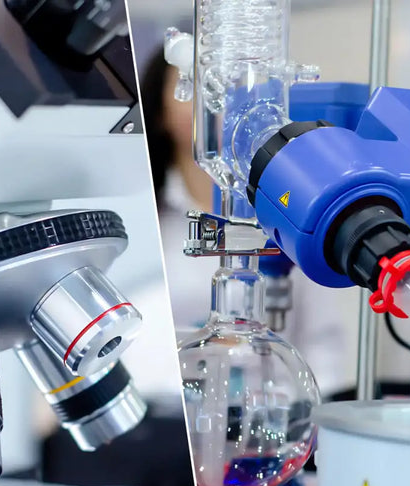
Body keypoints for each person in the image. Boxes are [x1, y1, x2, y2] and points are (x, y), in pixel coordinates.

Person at [140, 46, 362, 398]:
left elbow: (323, 339)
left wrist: (315, 426)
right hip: (172, 416)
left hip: (275, 420)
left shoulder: (287, 205)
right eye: (191, 86)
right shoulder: (145, 216)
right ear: (159, 109)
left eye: (227, 86)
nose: (212, 101)